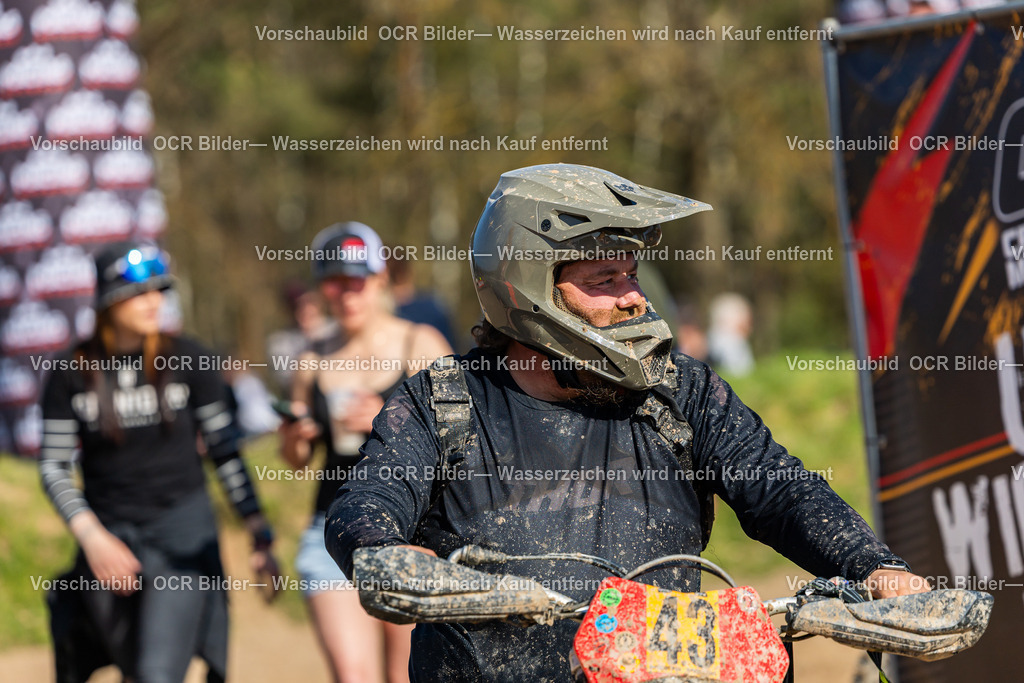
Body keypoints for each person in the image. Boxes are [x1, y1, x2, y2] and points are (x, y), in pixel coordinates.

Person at [324, 164, 931, 682]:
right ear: (529, 286)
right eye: (603, 281)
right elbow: (365, 504)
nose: (632, 297)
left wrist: (874, 567)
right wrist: (385, 555)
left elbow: (778, 487)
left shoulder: (675, 390)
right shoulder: (443, 401)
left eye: (632, 274)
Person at [39, 241, 278, 683]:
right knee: (131, 668)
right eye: (139, 292)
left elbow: (226, 453)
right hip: (108, 539)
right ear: (108, 299)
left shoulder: (191, 358)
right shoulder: (71, 371)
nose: (154, 302)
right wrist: (92, 539)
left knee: (156, 674)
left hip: (182, 541)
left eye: (160, 290)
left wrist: (259, 533)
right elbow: (53, 467)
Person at [279, 222, 451, 683]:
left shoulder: (420, 344)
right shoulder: (310, 358)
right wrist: (295, 437)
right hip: (329, 529)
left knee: (407, 675)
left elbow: (460, 441)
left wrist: (391, 418)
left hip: (413, 530)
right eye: (335, 283)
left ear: (379, 280)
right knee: (353, 676)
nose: (347, 295)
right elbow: (295, 459)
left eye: (357, 281)